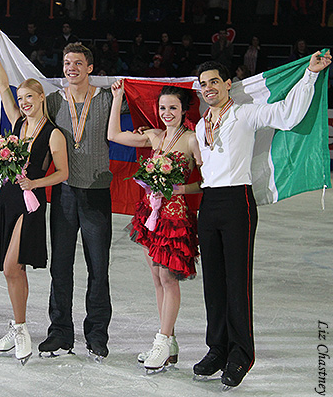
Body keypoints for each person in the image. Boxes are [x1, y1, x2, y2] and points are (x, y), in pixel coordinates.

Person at [193, 51, 330, 389]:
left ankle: (241, 354)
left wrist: (310, 75)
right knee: (213, 282)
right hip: (208, 202)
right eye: (203, 84)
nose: (209, 88)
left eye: (214, 82)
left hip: (237, 200)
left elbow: (287, 114)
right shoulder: (200, 123)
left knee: (237, 282)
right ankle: (217, 348)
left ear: (228, 85)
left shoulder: (245, 113)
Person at [107, 81, 202, 372]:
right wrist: (118, 97)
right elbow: (113, 134)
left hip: (176, 217)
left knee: (168, 278)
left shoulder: (192, 139)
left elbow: (208, 181)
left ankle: (162, 341)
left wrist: (179, 189)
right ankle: (167, 339)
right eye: (163, 108)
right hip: (152, 216)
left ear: (184, 109)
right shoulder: (153, 136)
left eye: (173, 107)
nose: (167, 112)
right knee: (157, 278)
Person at [39, 42, 124, 361]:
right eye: (66, 62)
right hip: (63, 192)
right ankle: (60, 332)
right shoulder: (51, 101)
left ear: (90, 68)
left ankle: (97, 334)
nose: (70, 67)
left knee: (98, 267)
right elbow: (28, 116)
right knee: (60, 266)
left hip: (97, 191)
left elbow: (147, 101)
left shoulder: (106, 98)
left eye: (77, 62)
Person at [0, 41, 69, 363]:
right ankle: (17, 325)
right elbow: (1, 86)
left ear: (41, 99)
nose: (23, 103)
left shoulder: (54, 134)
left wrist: (36, 182)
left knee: (13, 265)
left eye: (29, 98)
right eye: (21, 99)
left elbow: (62, 173)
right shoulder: (19, 125)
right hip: (8, 198)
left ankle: (21, 329)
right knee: (11, 270)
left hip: (32, 202)